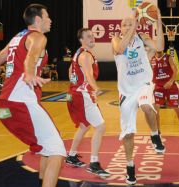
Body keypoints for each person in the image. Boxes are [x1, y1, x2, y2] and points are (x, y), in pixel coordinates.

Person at [0, 4, 66, 187]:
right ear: (39, 19)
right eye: (48, 16)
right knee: (57, 150)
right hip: (21, 104)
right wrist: (29, 73)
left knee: (46, 147)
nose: (51, 20)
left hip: (3, 109)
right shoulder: (38, 37)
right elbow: (31, 57)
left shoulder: (17, 38)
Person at [111, 10, 165, 185]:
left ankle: (155, 135)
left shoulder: (141, 37)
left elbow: (159, 48)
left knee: (147, 107)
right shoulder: (115, 39)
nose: (128, 26)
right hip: (126, 91)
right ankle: (130, 166)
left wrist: (159, 24)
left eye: (130, 23)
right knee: (128, 133)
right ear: (120, 28)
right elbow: (120, 49)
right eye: (125, 24)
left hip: (143, 83)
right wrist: (133, 25)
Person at [66, 28, 110, 178]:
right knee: (100, 127)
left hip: (75, 93)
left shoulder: (78, 53)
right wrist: (96, 88)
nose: (92, 38)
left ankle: (71, 155)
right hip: (83, 95)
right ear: (81, 40)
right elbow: (89, 76)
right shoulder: (85, 55)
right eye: (88, 37)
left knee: (84, 126)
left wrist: (75, 84)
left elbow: (70, 70)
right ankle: (94, 163)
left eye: (93, 36)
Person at [150, 13, 179, 137]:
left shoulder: (167, 57)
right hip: (158, 86)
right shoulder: (151, 59)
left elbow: (175, 69)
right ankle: (157, 131)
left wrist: (171, 81)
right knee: (156, 109)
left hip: (170, 85)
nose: (158, 48)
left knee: (176, 108)